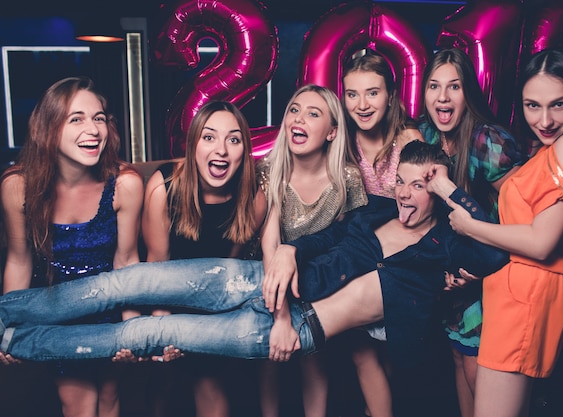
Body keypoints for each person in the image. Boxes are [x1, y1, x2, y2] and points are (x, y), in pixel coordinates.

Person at [0, 142, 508, 417]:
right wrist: (286, 249)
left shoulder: (445, 246)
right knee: (127, 283)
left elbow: (494, 251)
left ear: (439, 193)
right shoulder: (373, 213)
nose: (408, 194)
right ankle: (6, 315)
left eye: (424, 187)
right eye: (405, 181)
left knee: (146, 333)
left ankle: (17, 344)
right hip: (250, 279)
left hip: (290, 329)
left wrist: (450, 190)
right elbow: (314, 243)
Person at [429, 48, 563, 417]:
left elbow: (542, 242)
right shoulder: (549, 150)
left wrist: (471, 226)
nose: (544, 120)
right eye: (532, 105)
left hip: (526, 299)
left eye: (559, 105)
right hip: (509, 296)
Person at [0, 76, 144, 417]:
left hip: (110, 314)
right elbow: (19, 261)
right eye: (76, 118)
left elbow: (127, 262)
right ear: (45, 128)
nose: (93, 129)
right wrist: (8, 327)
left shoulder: (125, 185)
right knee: (78, 406)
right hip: (54, 314)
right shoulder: (17, 186)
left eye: (99, 118)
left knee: (109, 402)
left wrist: (135, 329)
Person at [138, 100, 267, 417]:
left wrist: (211, 332)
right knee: (161, 388)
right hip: (164, 298)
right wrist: (163, 330)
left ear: (244, 151)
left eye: (233, 139)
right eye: (209, 137)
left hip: (216, 307)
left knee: (210, 384)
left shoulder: (255, 198)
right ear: (193, 144)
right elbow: (156, 265)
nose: (221, 150)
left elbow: (229, 272)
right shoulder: (163, 186)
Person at [417, 47, 526, 417]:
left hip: (495, 274)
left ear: (469, 93)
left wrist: (478, 274)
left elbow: (525, 221)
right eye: (434, 86)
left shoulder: (488, 142)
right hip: (454, 278)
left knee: (476, 370)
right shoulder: (426, 136)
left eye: (454, 86)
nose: (442, 97)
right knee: (458, 362)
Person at [255, 84, 367, 417]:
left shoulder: (347, 179)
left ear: (332, 132)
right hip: (267, 280)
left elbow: (349, 240)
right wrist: (280, 317)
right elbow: (269, 244)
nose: (298, 119)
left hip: (318, 286)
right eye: (294, 110)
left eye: (312, 113)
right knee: (268, 358)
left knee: (314, 356)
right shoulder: (267, 172)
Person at [339, 49, 424, 417]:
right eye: (352, 94)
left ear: (390, 95)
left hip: (404, 261)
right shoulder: (340, 142)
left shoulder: (409, 139)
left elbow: (429, 208)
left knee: (396, 361)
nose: (362, 104)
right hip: (358, 255)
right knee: (361, 353)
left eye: (372, 92)